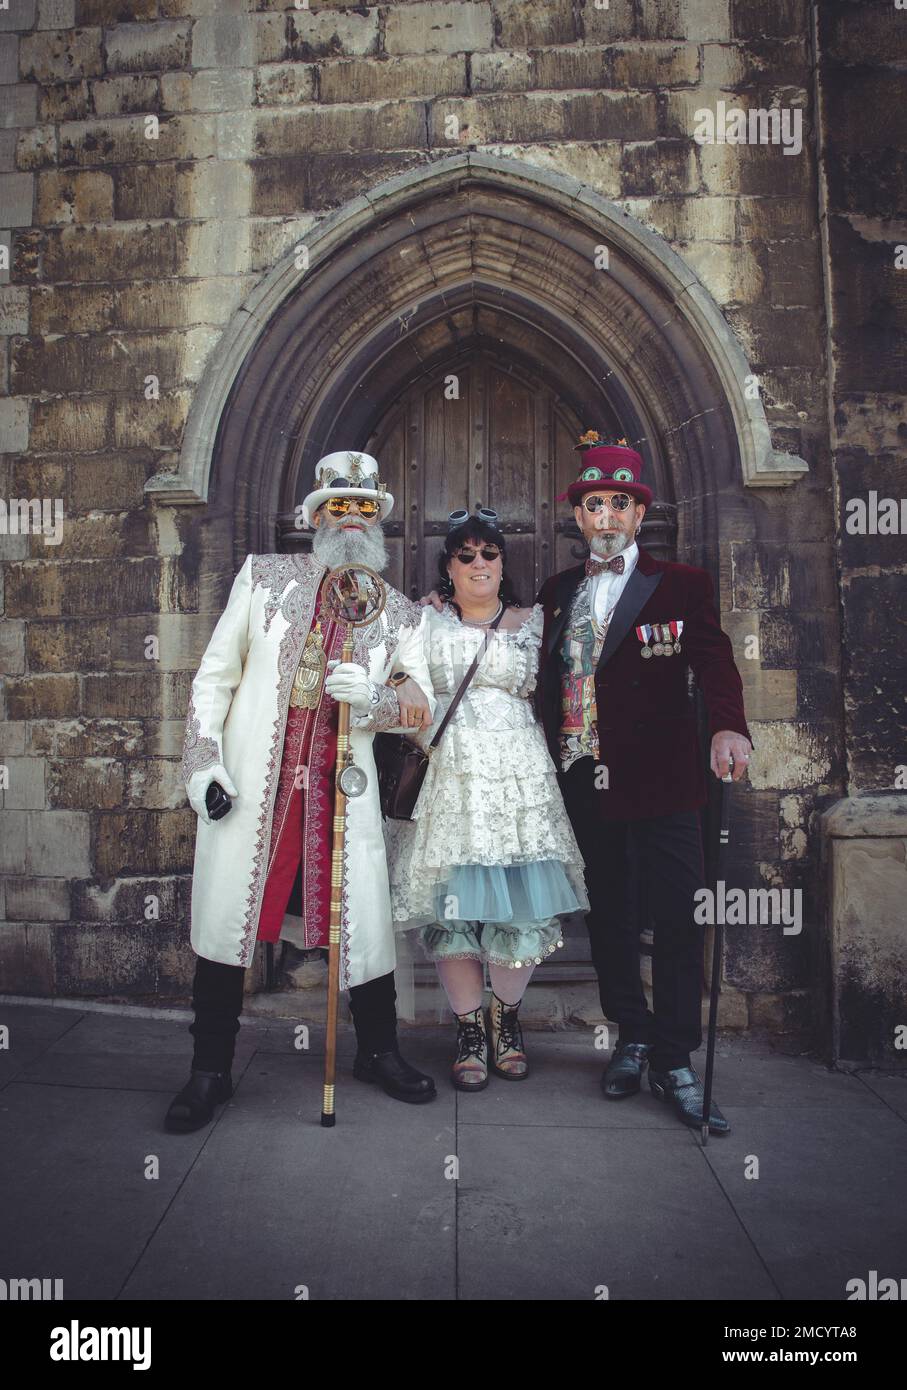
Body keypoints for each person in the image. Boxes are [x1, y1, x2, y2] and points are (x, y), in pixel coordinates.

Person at [166, 450, 438, 1132]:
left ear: (379, 522)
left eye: (364, 508)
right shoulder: (261, 581)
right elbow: (214, 677)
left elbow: (420, 703)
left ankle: (378, 1051)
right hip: (255, 795)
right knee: (228, 925)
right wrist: (204, 766)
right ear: (314, 517)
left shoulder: (399, 614)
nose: (349, 519)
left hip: (341, 798)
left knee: (362, 926)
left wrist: (374, 698)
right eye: (336, 507)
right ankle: (209, 1070)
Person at [534, 432, 753, 1134]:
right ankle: (629, 1034)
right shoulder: (556, 592)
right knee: (611, 920)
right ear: (579, 516)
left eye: (617, 505)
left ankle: (675, 1055)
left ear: (637, 514)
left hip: (665, 784)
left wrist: (728, 727)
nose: (604, 517)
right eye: (593, 504)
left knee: (680, 920)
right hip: (586, 785)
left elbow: (716, 664)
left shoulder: (681, 584)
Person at [385, 511, 589, 1091]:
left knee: (518, 906)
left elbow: (568, 687)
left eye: (490, 554)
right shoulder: (423, 620)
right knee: (454, 909)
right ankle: (469, 1031)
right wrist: (404, 685)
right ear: (448, 567)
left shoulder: (535, 622)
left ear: (503, 563)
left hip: (519, 784)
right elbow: (395, 670)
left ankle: (507, 1020)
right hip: (449, 780)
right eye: (466, 555)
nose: (479, 564)